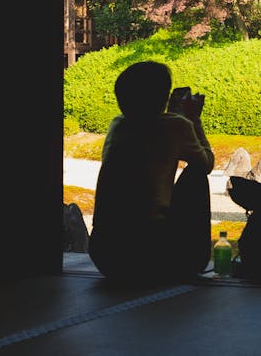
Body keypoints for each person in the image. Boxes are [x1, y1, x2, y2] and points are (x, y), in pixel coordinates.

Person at [88, 61, 215, 285]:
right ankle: (194, 259)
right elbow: (206, 164)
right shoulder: (176, 125)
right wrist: (193, 119)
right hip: (153, 256)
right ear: (163, 96)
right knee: (196, 176)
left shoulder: (117, 125)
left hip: (106, 256)